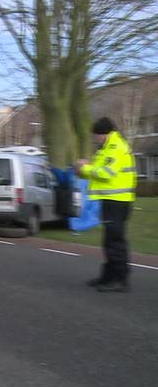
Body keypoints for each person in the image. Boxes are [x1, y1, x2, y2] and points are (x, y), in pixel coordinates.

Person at [75, 117, 137, 292]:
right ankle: (108, 276)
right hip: (110, 201)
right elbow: (96, 174)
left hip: (118, 202)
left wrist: (85, 167)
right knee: (109, 240)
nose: (95, 139)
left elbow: (105, 173)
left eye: (96, 136)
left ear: (104, 134)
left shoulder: (116, 147)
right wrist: (82, 170)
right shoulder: (105, 148)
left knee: (116, 241)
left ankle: (120, 280)